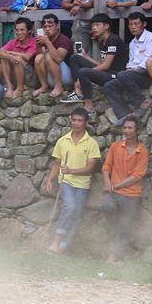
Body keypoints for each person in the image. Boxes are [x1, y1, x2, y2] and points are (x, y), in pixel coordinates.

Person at [46, 107, 101, 255]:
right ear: (70, 120)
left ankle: (64, 246)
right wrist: (50, 179)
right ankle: (56, 241)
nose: (76, 123)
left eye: (80, 120)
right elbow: (57, 163)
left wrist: (72, 170)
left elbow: (90, 168)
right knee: (70, 206)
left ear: (86, 122)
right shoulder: (62, 141)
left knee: (76, 213)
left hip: (83, 184)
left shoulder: (91, 143)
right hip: (66, 181)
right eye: (74, 120)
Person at [101, 115, 148, 263]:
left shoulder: (143, 151)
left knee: (124, 225)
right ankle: (116, 246)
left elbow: (137, 176)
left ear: (137, 130)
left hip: (132, 195)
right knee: (106, 206)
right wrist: (107, 182)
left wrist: (115, 186)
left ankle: (114, 257)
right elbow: (106, 166)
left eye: (130, 128)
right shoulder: (115, 146)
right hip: (113, 192)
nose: (127, 130)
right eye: (125, 127)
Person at [61, 13, 129, 117]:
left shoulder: (113, 40)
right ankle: (78, 93)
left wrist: (82, 76)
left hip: (116, 76)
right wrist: (85, 56)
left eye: (97, 25)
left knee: (83, 72)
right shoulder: (103, 41)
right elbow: (101, 64)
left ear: (106, 26)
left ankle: (89, 107)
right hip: (107, 72)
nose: (94, 28)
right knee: (75, 57)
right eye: (93, 26)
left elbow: (106, 66)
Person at [101, 13, 152, 123]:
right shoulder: (132, 42)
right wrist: (129, 69)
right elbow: (131, 62)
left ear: (144, 24)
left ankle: (142, 102)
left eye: (136, 23)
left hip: (148, 74)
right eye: (130, 24)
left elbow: (150, 59)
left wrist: (132, 70)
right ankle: (124, 115)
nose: (133, 27)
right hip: (133, 75)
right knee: (108, 85)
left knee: (122, 75)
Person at [33, 14, 73, 98]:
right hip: (51, 77)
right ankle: (44, 86)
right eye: (45, 26)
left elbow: (58, 59)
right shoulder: (44, 39)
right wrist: (38, 45)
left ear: (57, 25)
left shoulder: (64, 40)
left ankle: (59, 86)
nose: (47, 29)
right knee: (39, 57)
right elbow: (38, 55)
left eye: (50, 26)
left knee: (49, 55)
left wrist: (47, 42)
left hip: (67, 77)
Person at [0, 17, 37, 99]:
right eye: (17, 30)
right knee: (3, 58)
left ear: (29, 30)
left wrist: (11, 53)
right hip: (15, 74)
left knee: (17, 59)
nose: (19, 32)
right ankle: (9, 87)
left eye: (22, 30)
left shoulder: (34, 41)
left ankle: (20, 88)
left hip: (30, 77)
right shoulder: (13, 42)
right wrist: (10, 56)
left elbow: (27, 57)